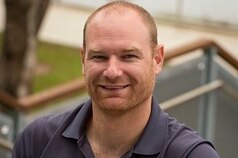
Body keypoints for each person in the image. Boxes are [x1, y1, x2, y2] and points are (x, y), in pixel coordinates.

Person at [12, 1, 220, 158]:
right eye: (99, 57)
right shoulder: (37, 141)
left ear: (157, 59)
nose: (112, 71)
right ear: (83, 61)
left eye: (128, 56)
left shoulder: (190, 155)